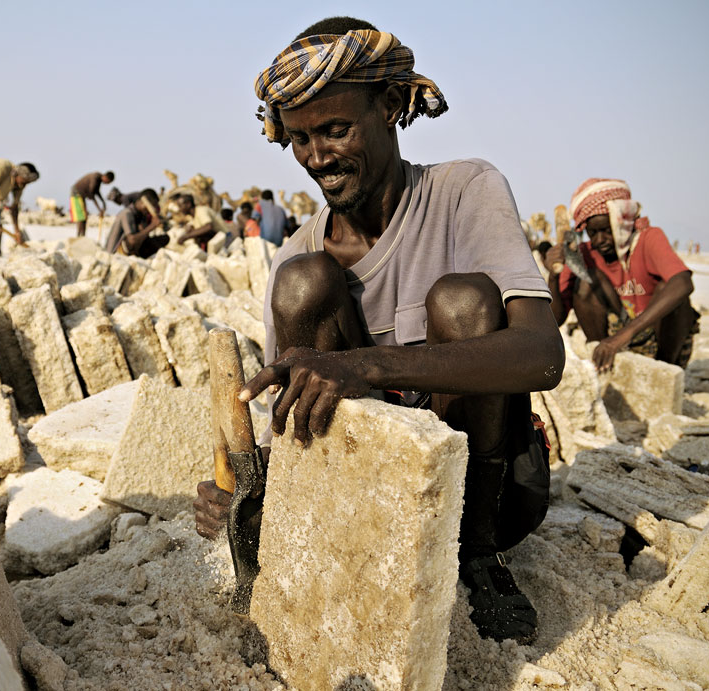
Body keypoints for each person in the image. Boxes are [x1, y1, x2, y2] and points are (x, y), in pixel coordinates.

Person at [193, 16, 564, 646]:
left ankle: (477, 561)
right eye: (300, 139)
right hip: (373, 505)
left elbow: (543, 355)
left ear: (390, 106)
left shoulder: (463, 191)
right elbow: (294, 416)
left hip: (491, 496)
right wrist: (245, 493)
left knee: (463, 300)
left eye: (336, 130)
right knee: (302, 282)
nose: (318, 158)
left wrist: (368, 366)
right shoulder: (298, 256)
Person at [546, 178, 698, 371]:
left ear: (623, 222)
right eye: (593, 233)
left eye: (607, 230)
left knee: (672, 292)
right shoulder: (584, 254)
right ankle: (602, 363)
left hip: (656, 338)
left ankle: (664, 370)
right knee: (586, 283)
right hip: (614, 341)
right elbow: (555, 320)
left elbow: (684, 283)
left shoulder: (648, 238)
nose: (600, 240)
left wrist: (623, 336)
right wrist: (553, 275)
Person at [104, 189, 169, 258]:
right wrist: (152, 226)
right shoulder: (127, 213)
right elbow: (132, 240)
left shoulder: (141, 215)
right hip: (114, 254)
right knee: (132, 240)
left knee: (164, 239)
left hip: (132, 250)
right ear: (143, 203)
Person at [70, 171, 114, 238]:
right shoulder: (95, 178)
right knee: (81, 217)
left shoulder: (99, 179)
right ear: (106, 178)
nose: (107, 184)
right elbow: (92, 194)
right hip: (76, 194)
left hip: (82, 196)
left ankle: (83, 236)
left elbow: (97, 192)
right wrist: (99, 209)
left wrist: (103, 203)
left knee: (84, 216)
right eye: (108, 182)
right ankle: (79, 237)